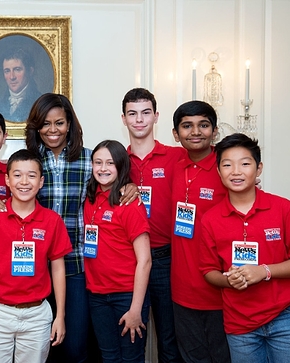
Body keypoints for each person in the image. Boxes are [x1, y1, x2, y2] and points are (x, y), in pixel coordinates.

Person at [24, 93, 139, 363]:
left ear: (70, 124)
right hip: (36, 265)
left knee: (75, 346)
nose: (53, 130)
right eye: (45, 124)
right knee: (41, 346)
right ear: (36, 127)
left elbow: (116, 181)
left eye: (60, 123)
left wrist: (130, 184)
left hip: (76, 265)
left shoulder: (91, 160)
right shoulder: (28, 163)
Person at [199, 133, 290, 363]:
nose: (236, 171)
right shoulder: (210, 219)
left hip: (285, 317)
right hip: (239, 323)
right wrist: (229, 280)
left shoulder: (283, 208)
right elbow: (208, 271)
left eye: (245, 163)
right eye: (227, 164)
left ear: (258, 168)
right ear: (218, 171)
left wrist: (264, 271)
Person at [0, 149, 72, 362]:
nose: (24, 182)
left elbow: (58, 268)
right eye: (17, 175)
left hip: (37, 315)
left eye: (32, 175)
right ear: (7, 180)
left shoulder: (52, 220)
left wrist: (60, 315)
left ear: (41, 181)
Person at [121, 88, 185, 363]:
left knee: (170, 341)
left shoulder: (177, 156)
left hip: (166, 259)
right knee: (129, 337)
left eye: (145, 113)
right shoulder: (115, 161)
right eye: (132, 114)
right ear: (123, 119)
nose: (139, 120)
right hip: (126, 263)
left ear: (156, 116)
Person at [169, 100, 231, 363]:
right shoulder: (172, 162)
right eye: (187, 126)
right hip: (182, 288)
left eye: (203, 125)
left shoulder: (228, 167)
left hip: (222, 287)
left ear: (214, 131)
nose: (195, 132)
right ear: (175, 134)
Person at [83, 140, 152, 363]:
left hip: (127, 295)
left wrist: (135, 309)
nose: (103, 168)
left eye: (110, 163)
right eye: (98, 162)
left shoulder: (129, 203)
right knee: (109, 356)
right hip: (97, 296)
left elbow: (145, 261)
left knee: (131, 358)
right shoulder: (90, 199)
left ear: (121, 167)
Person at [0, 48, 42, 122]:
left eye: (17, 69)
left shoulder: (40, 103)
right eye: (7, 71)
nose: (12, 77)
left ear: (30, 71)